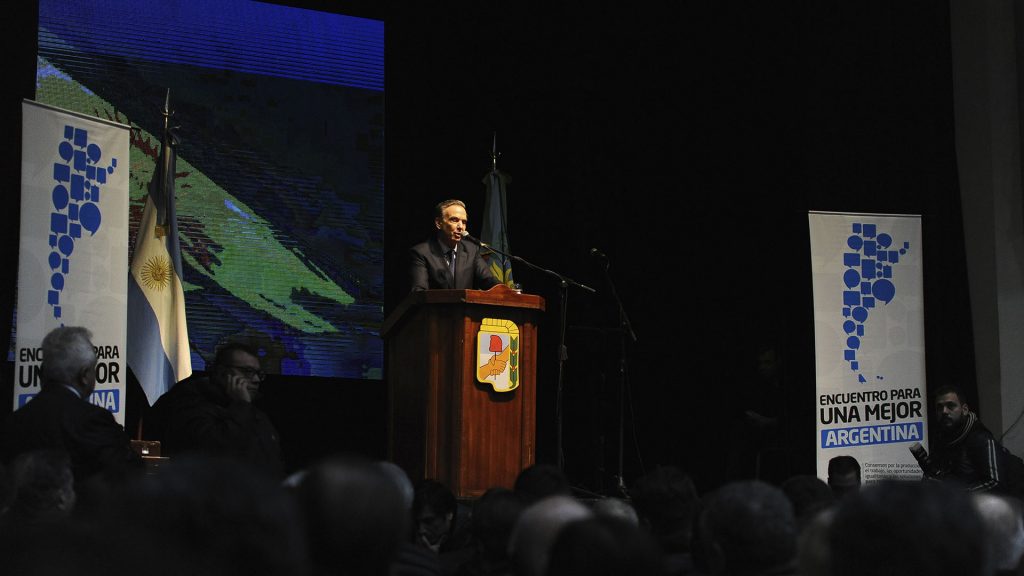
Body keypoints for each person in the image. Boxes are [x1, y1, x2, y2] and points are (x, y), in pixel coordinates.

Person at [0, 326, 141, 489]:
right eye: (93, 371)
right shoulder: (92, 420)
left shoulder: (13, 422)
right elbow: (129, 474)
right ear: (84, 376)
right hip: (84, 514)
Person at [145, 341, 284, 478]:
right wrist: (241, 405)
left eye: (258, 373)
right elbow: (217, 450)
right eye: (247, 372)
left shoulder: (255, 414)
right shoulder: (190, 403)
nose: (256, 379)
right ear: (222, 372)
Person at [918, 385, 1024, 497]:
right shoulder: (941, 439)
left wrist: (955, 494)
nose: (944, 411)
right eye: (939, 407)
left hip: (1003, 506)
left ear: (964, 410)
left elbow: (995, 483)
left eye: (950, 406)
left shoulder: (980, 438)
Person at [409, 199, 501, 292]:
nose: (461, 226)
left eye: (464, 222)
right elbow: (419, 292)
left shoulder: (472, 250)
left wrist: (508, 291)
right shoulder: (421, 252)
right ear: (438, 223)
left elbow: (489, 281)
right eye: (454, 220)